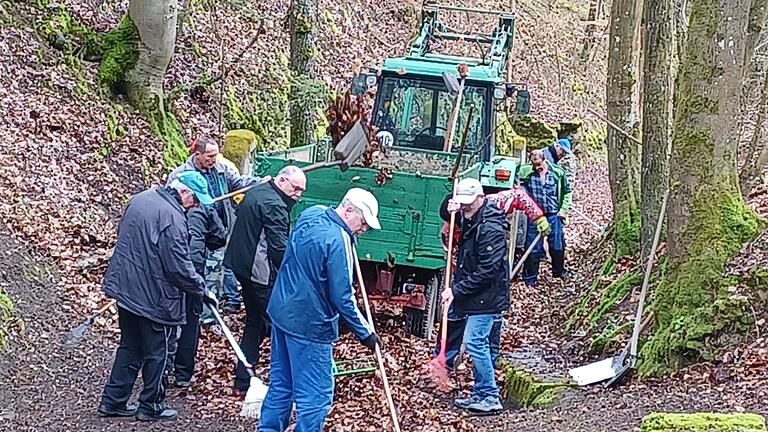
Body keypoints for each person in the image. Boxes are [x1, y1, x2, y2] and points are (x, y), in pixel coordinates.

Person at [259, 188, 385, 431]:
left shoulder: (311, 213)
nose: (364, 230)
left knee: (281, 384)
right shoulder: (338, 242)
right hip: (310, 325)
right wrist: (366, 333)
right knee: (316, 397)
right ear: (348, 210)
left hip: (282, 311)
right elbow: (343, 297)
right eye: (363, 223)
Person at [97, 171, 216, 422]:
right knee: (159, 352)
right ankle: (151, 405)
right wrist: (201, 289)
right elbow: (178, 267)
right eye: (194, 200)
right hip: (154, 298)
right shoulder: (173, 218)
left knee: (130, 346)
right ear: (183, 192)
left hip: (126, 288)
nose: (194, 206)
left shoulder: (141, 199)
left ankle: (113, 400)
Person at [435, 184, 550, 369]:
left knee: (491, 315)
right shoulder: (448, 235)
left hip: (494, 269)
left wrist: (538, 217)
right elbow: (457, 265)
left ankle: (492, 356)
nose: (451, 228)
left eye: (455, 223)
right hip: (471, 273)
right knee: (454, 314)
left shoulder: (494, 204)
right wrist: (456, 290)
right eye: (451, 224)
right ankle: (447, 360)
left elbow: (518, 196)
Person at [223, 165, 307, 393]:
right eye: (296, 189)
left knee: (255, 321)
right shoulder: (275, 206)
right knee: (279, 324)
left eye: (301, 191)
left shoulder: (257, 191)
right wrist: (296, 279)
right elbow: (279, 250)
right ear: (281, 181)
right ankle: (294, 379)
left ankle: (244, 377)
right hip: (258, 273)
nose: (298, 195)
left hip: (240, 266)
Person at [166, 137, 263, 324]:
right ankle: (189, 313)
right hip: (191, 232)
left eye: (216, 155)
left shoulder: (221, 169)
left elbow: (238, 182)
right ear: (197, 155)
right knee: (192, 271)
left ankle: (209, 317)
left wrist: (259, 182)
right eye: (210, 155)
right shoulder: (180, 175)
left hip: (217, 230)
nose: (214, 159)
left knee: (215, 274)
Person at [440, 178, 509, 414]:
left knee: (474, 342)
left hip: (488, 296)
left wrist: (455, 290)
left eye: (469, 203)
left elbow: (488, 271)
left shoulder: (490, 227)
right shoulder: (470, 216)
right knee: (479, 343)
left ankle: (489, 395)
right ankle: (481, 393)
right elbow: (446, 213)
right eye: (462, 203)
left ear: (481, 198)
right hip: (475, 294)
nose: (465, 208)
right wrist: (450, 206)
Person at [171, 204, 227, 388]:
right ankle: (182, 373)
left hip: (169, 272)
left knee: (169, 321)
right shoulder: (204, 208)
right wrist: (196, 282)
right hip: (190, 274)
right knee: (190, 323)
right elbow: (218, 237)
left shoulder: (167, 208)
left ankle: (163, 370)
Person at [519, 150, 573, 287]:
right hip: (535, 215)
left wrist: (563, 210)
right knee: (533, 247)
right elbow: (519, 188)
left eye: (539, 164)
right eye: (534, 165)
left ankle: (558, 271)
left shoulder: (557, 173)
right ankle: (530, 278)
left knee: (557, 245)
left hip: (554, 213)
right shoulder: (526, 173)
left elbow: (567, 192)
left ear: (545, 160)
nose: (537, 167)